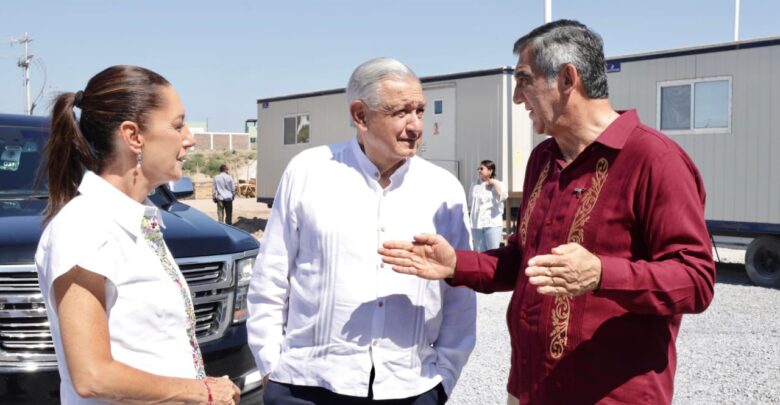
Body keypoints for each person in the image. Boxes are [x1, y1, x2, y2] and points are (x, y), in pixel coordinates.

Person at [379, 20, 716, 405]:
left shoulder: (655, 160)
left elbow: (696, 280)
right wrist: (455, 263)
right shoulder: (543, 158)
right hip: (529, 389)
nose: (517, 98)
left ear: (568, 78)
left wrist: (602, 274)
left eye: (524, 80)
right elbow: (524, 261)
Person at [247, 57, 476, 405]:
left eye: (420, 110)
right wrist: (271, 367)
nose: (416, 126)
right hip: (306, 385)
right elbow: (271, 278)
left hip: (410, 387)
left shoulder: (444, 189)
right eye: (401, 112)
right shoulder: (308, 172)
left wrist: (443, 379)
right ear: (360, 115)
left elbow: (460, 294)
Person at [35, 65, 241, 404]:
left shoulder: (136, 221)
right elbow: (91, 376)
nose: (189, 138)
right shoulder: (84, 226)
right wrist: (200, 391)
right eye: (177, 125)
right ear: (133, 136)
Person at [469, 159, 508, 251]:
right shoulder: (474, 185)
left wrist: (494, 184)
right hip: (476, 225)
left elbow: (503, 196)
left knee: (493, 251)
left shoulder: (499, 184)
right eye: (479, 168)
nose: (479, 171)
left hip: (492, 224)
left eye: (482, 168)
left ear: (490, 171)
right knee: (480, 252)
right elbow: (470, 202)